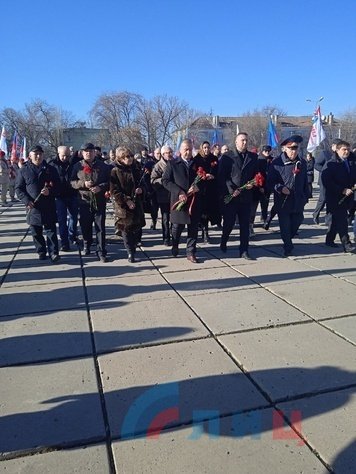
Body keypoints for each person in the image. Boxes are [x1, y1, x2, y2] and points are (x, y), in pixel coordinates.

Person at [15, 145, 60, 262]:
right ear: (30, 156)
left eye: (40, 154)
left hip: (48, 205)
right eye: (36, 154)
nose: (38, 156)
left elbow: (59, 187)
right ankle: (41, 251)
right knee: (36, 232)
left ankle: (54, 253)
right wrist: (26, 201)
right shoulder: (24, 170)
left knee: (51, 231)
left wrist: (50, 191)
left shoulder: (50, 169)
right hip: (33, 206)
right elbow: (19, 189)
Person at [218, 132, 258, 259]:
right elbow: (222, 176)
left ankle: (244, 250)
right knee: (229, 223)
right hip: (231, 197)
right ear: (236, 142)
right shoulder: (227, 157)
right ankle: (224, 241)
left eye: (246, 140)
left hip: (246, 196)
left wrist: (253, 183)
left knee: (245, 224)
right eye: (242, 140)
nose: (244, 142)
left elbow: (256, 174)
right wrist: (231, 190)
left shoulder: (253, 157)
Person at [267, 135, 309, 257]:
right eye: (291, 148)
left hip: (298, 200)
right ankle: (288, 246)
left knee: (297, 221)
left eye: (296, 148)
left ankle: (287, 239)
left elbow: (305, 181)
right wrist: (280, 188)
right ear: (284, 148)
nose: (294, 151)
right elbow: (270, 182)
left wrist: (306, 197)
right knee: (284, 225)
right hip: (283, 200)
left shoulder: (302, 163)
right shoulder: (276, 163)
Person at [162, 139, 203, 263]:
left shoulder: (197, 164)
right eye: (185, 149)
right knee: (177, 227)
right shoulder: (173, 164)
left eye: (190, 149)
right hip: (179, 200)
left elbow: (204, 180)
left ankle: (191, 252)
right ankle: (175, 244)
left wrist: (198, 187)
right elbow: (166, 181)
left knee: (193, 228)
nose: (188, 152)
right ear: (180, 150)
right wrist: (179, 192)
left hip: (194, 201)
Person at [70, 142, 111, 262]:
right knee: (85, 225)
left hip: (99, 200)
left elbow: (109, 181)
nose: (88, 153)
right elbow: (72, 182)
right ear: (82, 153)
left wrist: (100, 187)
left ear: (95, 153)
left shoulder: (103, 166)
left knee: (100, 227)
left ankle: (102, 251)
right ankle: (87, 243)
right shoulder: (77, 166)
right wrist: (83, 184)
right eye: (86, 151)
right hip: (84, 200)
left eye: (91, 151)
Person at [110, 147, 145, 262]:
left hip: (136, 203)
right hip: (123, 205)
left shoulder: (136, 168)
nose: (129, 159)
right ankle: (130, 252)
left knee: (136, 228)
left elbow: (143, 183)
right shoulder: (115, 171)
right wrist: (126, 200)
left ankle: (134, 247)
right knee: (126, 229)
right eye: (126, 157)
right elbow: (114, 190)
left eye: (130, 156)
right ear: (120, 158)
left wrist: (141, 190)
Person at [321, 140, 356, 253]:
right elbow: (327, 182)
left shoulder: (350, 161)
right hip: (334, 197)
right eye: (344, 149)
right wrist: (342, 190)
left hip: (348, 197)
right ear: (337, 150)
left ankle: (329, 239)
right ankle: (347, 244)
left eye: (348, 149)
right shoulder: (331, 163)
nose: (346, 152)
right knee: (342, 220)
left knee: (337, 220)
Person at [50, 145, 79, 251]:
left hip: (72, 194)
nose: (65, 158)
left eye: (67, 156)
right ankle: (64, 242)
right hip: (59, 196)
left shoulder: (73, 163)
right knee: (62, 220)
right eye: (63, 156)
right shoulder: (52, 165)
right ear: (58, 154)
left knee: (74, 217)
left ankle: (72, 235)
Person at [194, 141, 220, 242]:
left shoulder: (214, 159)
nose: (206, 150)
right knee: (202, 212)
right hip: (201, 189)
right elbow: (194, 173)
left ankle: (206, 230)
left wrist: (213, 176)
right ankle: (204, 232)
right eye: (204, 147)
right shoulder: (197, 159)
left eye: (208, 147)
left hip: (211, 189)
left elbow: (218, 172)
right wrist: (202, 176)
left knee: (209, 211)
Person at [313, 138, 342, 224]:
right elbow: (316, 165)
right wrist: (325, 170)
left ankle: (328, 220)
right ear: (333, 146)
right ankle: (316, 214)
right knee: (323, 199)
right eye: (337, 146)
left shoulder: (340, 155)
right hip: (324, 180)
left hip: (335, 181)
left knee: (331, 200)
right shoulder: (325, 153)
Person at [151, 145, 173, 245]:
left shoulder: (174, 163)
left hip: (174, 195)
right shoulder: (158, 166)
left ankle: (174, 235)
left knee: (174, 218)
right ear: (163, 154)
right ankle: (166, 237)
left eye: (171, 152)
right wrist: (163, 180)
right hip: (163, 196)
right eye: (168, 153)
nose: (170, 154)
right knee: (165, 219)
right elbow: (153, 180)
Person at [250, 145, 272, 234]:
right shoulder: (258, 160)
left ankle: (264, 220)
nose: (267, 152)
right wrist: (260, 186)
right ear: (262, 151)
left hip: (267, 186)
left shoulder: (271, 160)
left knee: (265, 205)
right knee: (253, 208)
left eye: (268, 151)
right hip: (257, 187)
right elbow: (256, 174)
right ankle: (251, 224)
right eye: (266, 151)